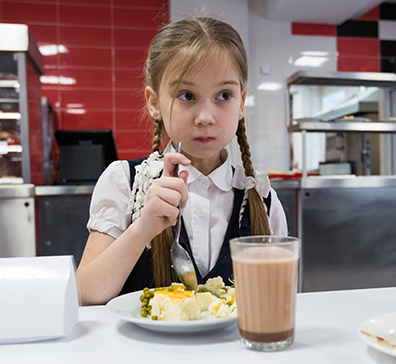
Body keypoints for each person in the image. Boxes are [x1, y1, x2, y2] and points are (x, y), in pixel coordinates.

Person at [76, 17, 288, 305]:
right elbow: (85, 296)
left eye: (224, 95)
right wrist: (142, 229)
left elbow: (278, 300)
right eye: (187, 95)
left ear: (241, 103)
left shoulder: (262, 200)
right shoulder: (124, 182)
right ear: (154, 102)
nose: (205, 117)